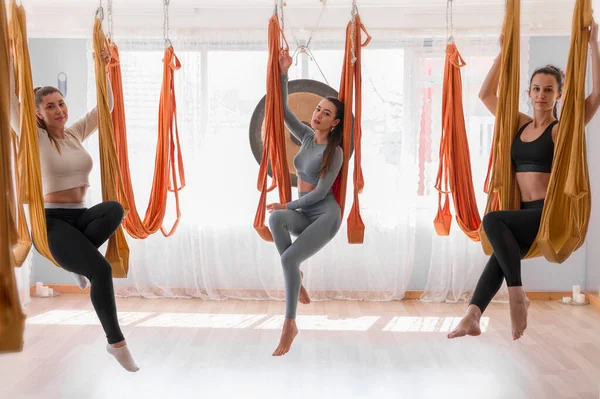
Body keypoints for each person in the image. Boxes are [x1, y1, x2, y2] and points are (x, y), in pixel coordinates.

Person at [449, 20, 600, 341]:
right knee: (498, 256)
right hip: (522, 215)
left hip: (548, 215)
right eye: (536, 88)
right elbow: (486, 94)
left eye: (549, 89)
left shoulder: (562, 130)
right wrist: (503, 53)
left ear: (559, 94)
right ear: (528, 92)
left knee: (491, 219)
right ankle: (473, 315)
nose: (542, 94)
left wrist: (592, 46)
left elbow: (596, 96)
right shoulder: (517, 123)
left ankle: (517, 295)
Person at [9, 46, 139, 372]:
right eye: (50, 106)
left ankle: (79, 262)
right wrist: (10, 60)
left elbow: (103, 109)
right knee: (103, 270)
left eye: (61, 103)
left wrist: (105, 68)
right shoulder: (33, 137)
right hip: (50, 223)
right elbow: (10, 105)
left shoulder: (75, 134)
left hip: (80, 217)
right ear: (38, 113)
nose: (59, 110)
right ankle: (116, 343)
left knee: (113, 209)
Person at [267, 48, 344, 356]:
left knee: (287, 258)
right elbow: (283, 112)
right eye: (317, 109)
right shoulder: (308, 137)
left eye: (326, 113)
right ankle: (296, 278)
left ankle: (289, 325)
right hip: (303, 210)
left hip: (325, 215)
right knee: (274, 220)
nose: (318, 114)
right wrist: (284, 72)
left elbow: (321, 194)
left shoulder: (333, 152)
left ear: (335, 122)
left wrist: (288, 204)